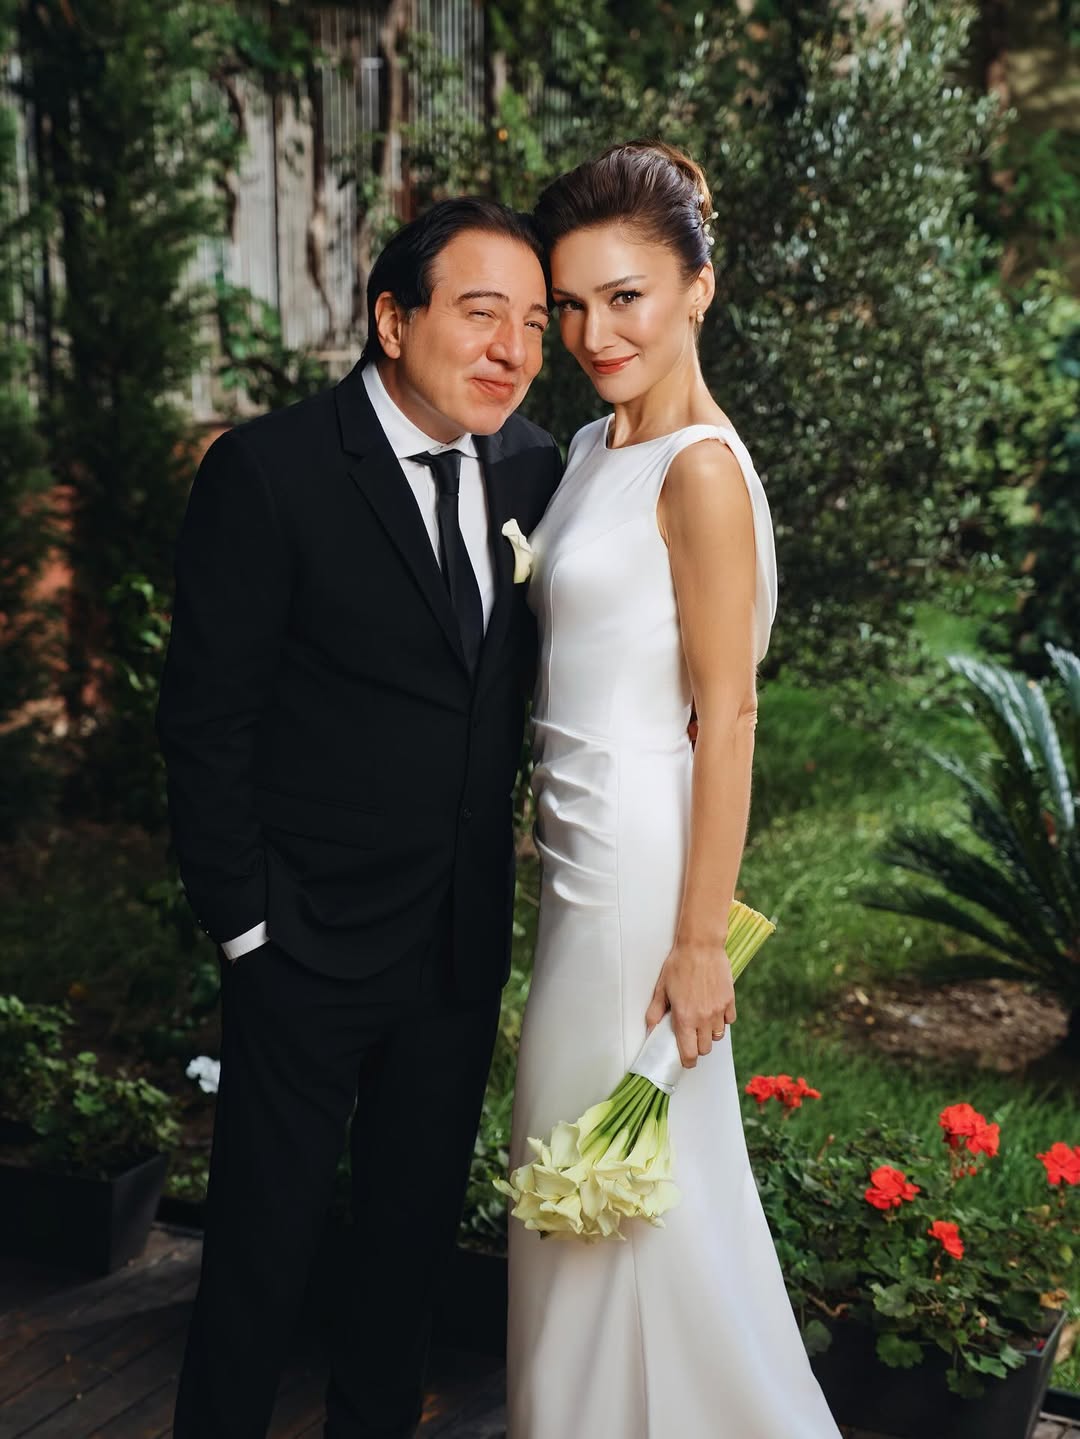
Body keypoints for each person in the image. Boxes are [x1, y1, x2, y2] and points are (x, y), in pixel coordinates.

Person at [156, 198, 561, 1439]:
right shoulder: (270, 470)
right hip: (302, 937)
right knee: (259, 1253)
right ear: (393, 319)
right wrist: (245, 924)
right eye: (481, 314)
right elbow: (205, 718)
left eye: (533, 324)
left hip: (456, 939)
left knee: (406, 1256)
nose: (511, 349)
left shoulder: (534, 468)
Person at [505, 142, 842, 1438]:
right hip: (577, 861)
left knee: (610, 1173)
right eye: (571, 304)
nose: (593, 334)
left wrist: (701, 939)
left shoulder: (698, 468)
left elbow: (729, 713)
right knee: (594, 1172)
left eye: (626, 297)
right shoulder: (595, 443)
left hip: (642, 875)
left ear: (699, 287)